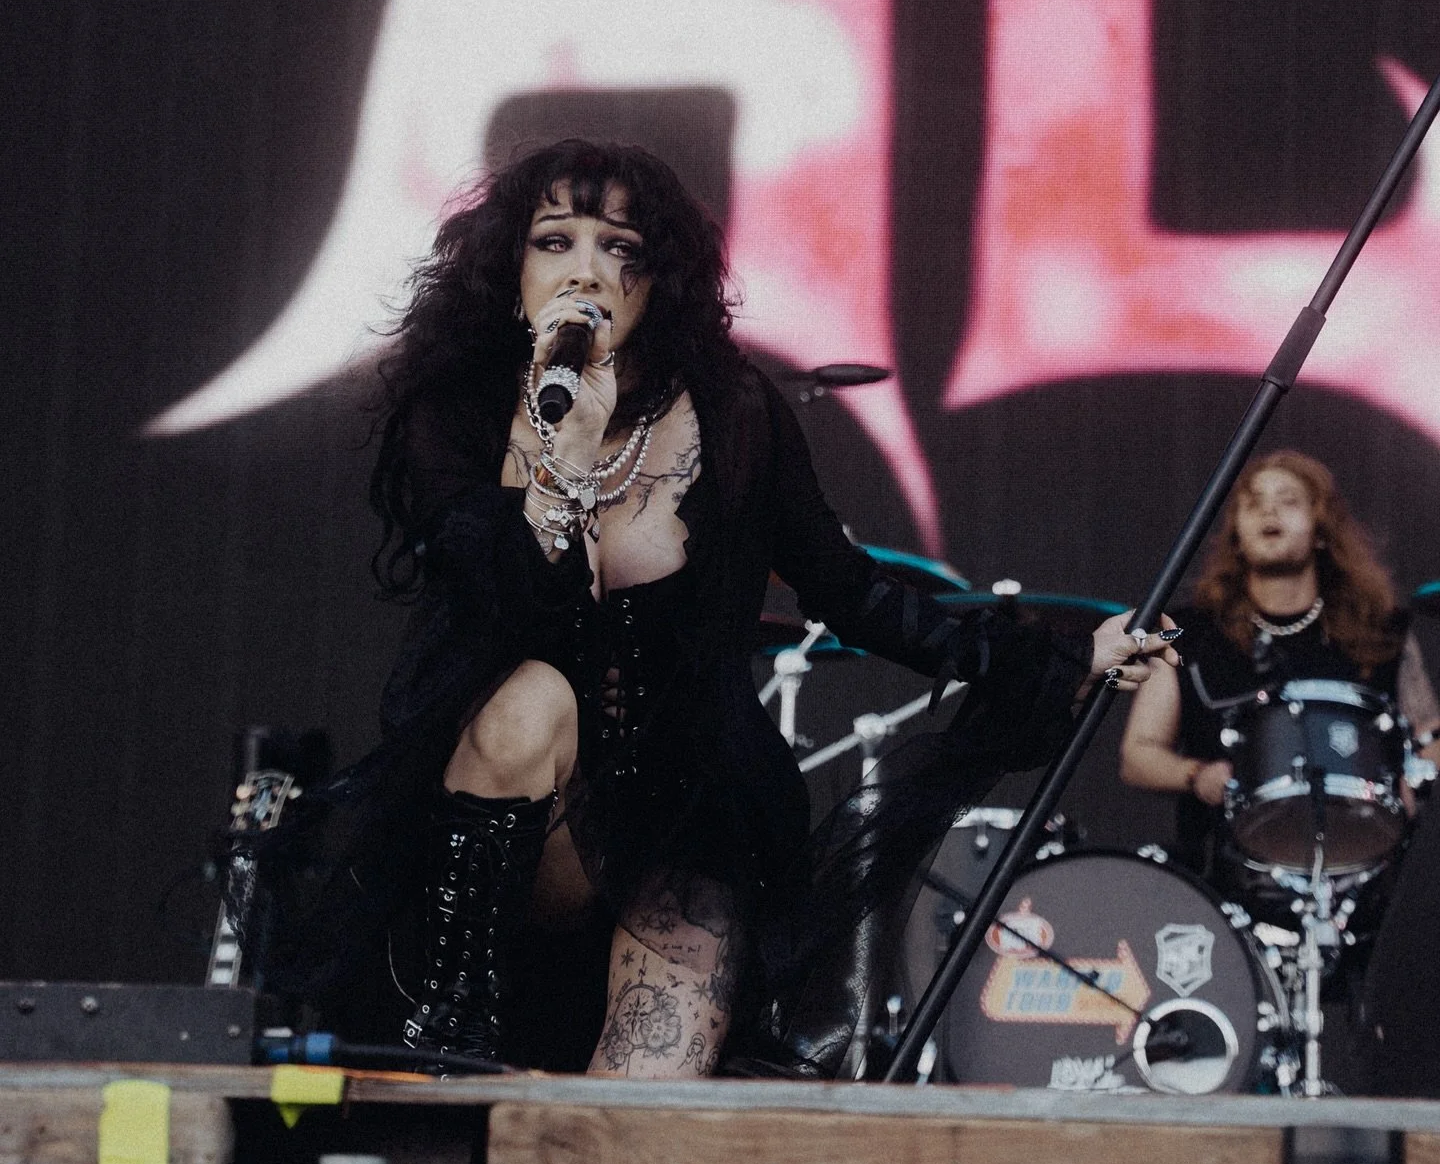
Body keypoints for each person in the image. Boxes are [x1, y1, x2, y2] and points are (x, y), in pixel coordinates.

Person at [257, 140, 1174, 1078]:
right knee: (531, 694)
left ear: (662, 282)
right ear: (509, 266)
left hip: (687, 817)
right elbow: (504, 597)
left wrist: (1055, 657)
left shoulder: (736, 415)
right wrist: (562, 451)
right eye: (555, 242)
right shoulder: (454, 412)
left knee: (638, 1122)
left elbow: (853, 592)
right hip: (521, 818)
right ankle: (456, 1021)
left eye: (623, 250)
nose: (589, 271)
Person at [1120, 450, 1440, 883]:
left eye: (1288, 500)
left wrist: (1415, 778)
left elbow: (1432, 737)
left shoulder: (1380, 629)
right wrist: (1196, 775)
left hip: (1366, 875)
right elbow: (1138, 753)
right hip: (1224, 878)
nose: (1268, 510)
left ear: (1321, 530)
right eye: (1253, 502)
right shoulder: (1186, 632)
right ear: (1237, 533)